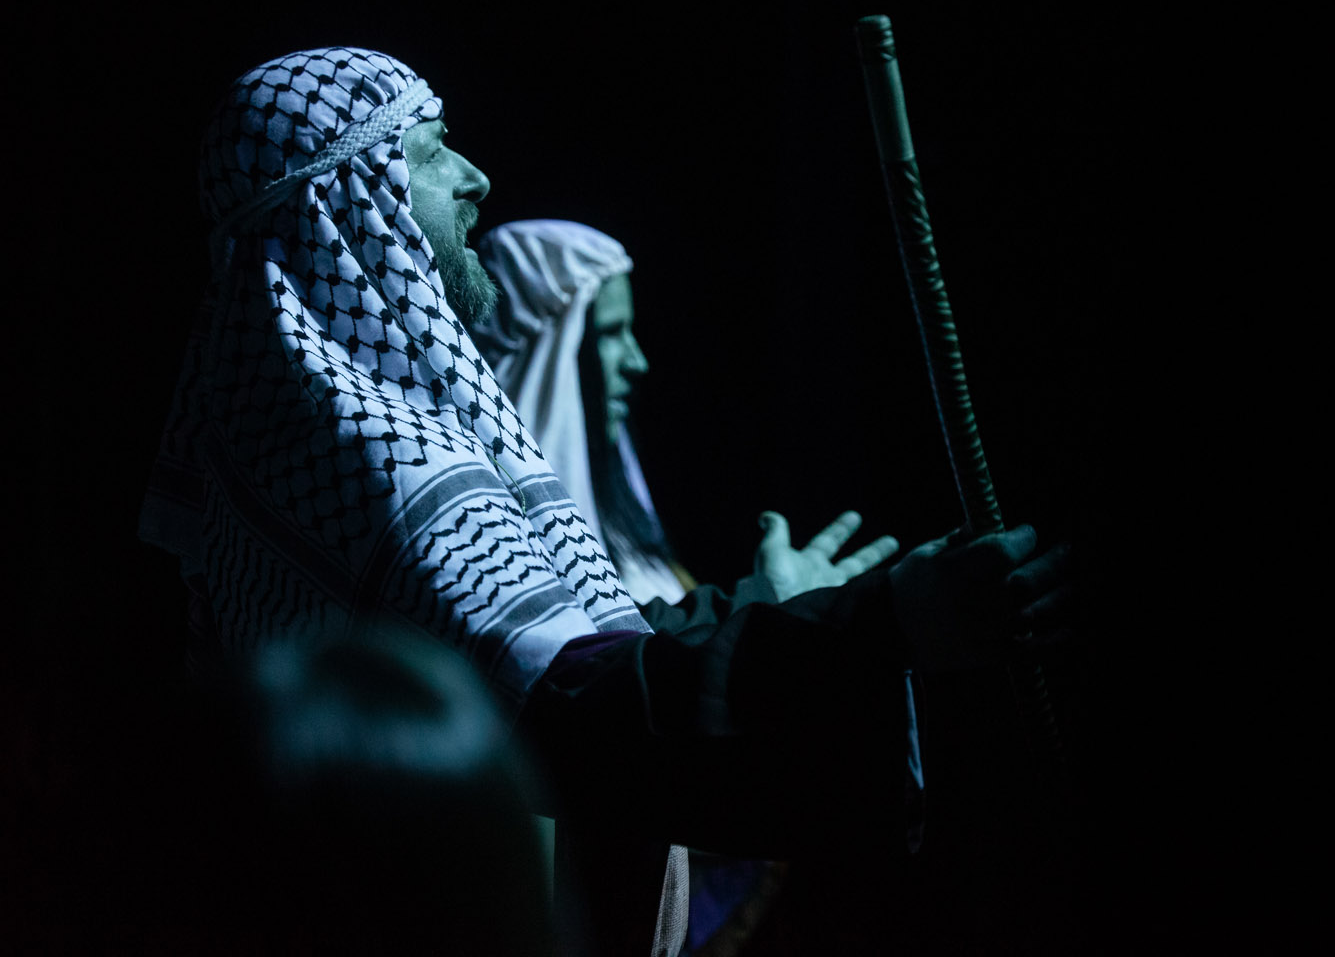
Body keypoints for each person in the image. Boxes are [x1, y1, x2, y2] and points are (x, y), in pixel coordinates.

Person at [142, 47, 1070, 956]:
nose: (475, 177)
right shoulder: (372, 451)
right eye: (430, 150)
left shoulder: (295, 445)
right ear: (348, 200)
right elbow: (571, 712)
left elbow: (556, 665)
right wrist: (883, 625)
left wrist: (775, 612)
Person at [472, 218, 904, 953]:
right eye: (610, 334)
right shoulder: (499, 557)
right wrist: (780, 617)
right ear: (554, 345)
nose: (637, 361)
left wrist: (778, 613)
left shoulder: (623, 528)